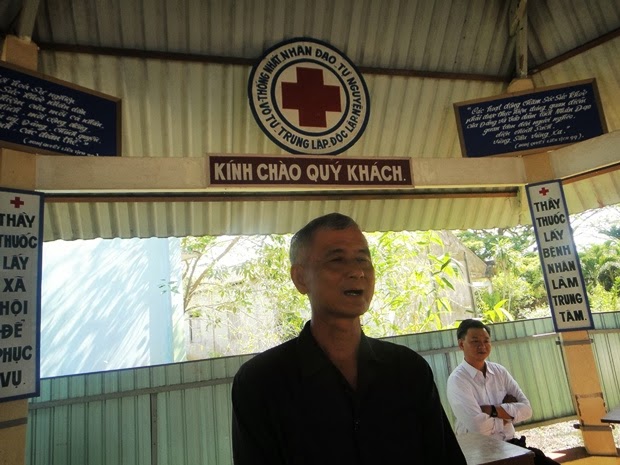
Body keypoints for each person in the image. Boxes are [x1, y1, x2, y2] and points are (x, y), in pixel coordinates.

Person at [231, 212, 466, 464]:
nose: (357, 271)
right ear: (300, 278)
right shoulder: (261, 382)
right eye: (337, 260)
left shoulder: (409, 371)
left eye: (363, 259)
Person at [446, 318, 559, 465]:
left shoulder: (499, 372)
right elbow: (478, 428)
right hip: (479, 454)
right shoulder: (458, 380)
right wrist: (506, 416)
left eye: (486, 341)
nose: (482, 346)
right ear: (461, 344)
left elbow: (527, 409)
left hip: (510, 445)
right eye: (475, 341)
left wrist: (491, 410)